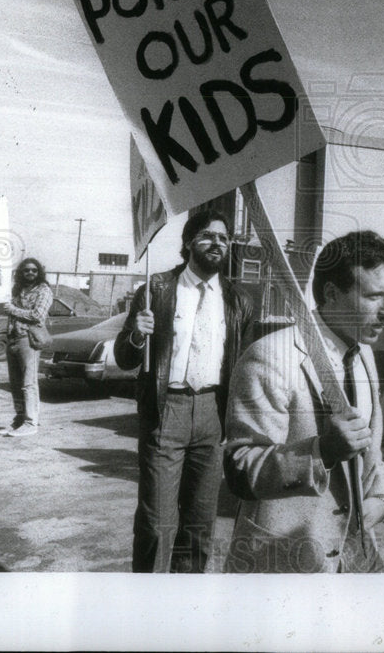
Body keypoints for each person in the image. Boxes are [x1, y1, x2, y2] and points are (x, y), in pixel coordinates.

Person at [223, 230, 384, 573]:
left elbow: (372, 451)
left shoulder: (364, 354)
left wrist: (383, 496)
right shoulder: (270, 357)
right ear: (332, 294)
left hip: (355, 557)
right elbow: (241, 470)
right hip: (284, 562)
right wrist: (322, 451)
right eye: (375, 297)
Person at [114, 209, 254, 573]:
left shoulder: (238, 301)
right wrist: (135, 333)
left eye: (224, 238)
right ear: (189, 242)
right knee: (156, 519)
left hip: (212, 413)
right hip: (166, 411)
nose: (216, 243)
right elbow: (125, 358)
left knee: (200, 523)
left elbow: (241, 365)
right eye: (207, 236)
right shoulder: (156, 290)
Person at [0, 257, 53, 438]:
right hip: (13, 338)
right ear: (21, 272)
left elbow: (38, 315)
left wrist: (12, 309)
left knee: (28, 383)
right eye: (26, 270)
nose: (30, 273)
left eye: (34, 270)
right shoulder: (17, 290)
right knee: (15, 383)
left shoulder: (44, 290)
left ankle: (31, 422)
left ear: (39, 272)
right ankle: (20, 420)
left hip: (28, 339)